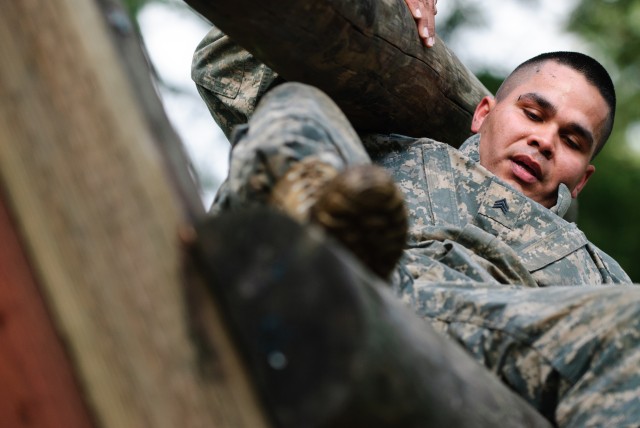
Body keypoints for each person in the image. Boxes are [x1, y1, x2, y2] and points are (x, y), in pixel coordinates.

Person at [190, 6, 640, 427]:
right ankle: (316, 238)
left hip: (479, 349)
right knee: (300, 100)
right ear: (483, 113)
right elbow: (225, 60)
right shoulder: (389, 151)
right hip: (327, 265)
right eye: (532, 113)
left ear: (582, 179)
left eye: (572, 141)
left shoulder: (599, 276)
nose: (544, 141)